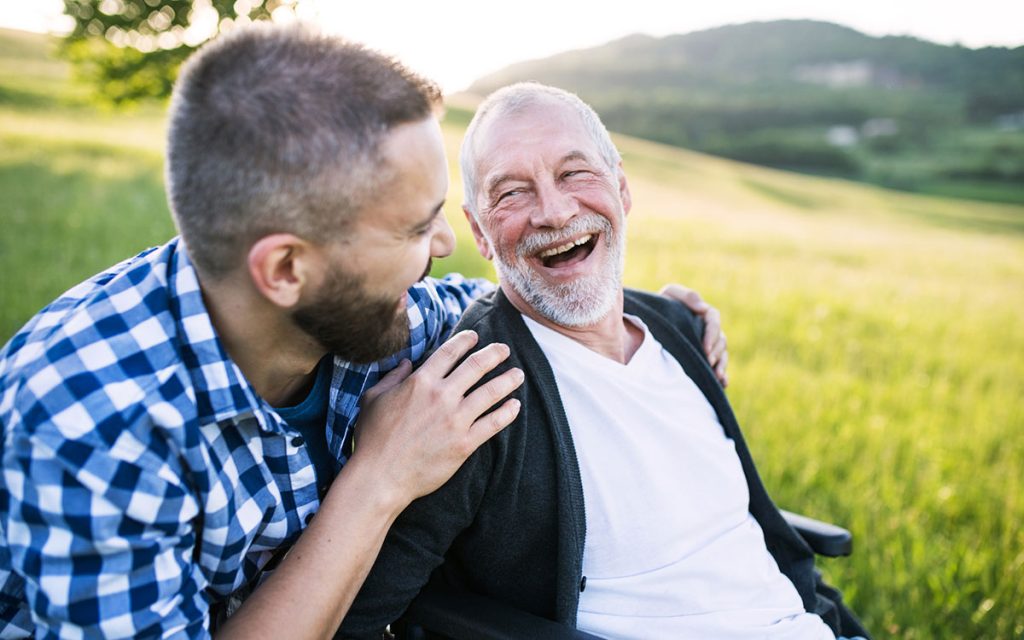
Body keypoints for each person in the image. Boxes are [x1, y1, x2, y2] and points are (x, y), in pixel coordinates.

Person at [0, 26, 725, 638]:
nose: (444, 244)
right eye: (415, 227)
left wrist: (653, 313)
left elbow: (506, 297)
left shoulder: (375, 312)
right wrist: (380, 478)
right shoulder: (91, 421)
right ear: (286, 268)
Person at [338, 83, 870, 640]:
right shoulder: (472, 393)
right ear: (480, 233)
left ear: (621, 188)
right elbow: (362, 617)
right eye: (513, 193)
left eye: (575, 174)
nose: (554, 210)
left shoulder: (678, 327)